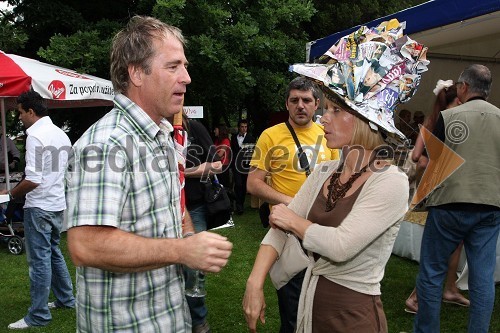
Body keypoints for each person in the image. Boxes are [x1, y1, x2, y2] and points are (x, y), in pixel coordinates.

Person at [244, 19, 429, 333]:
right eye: (325, 109)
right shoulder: (326, 170)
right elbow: (277, 232)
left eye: (334, 110)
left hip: (352, 318)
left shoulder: (390, 181)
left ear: (364, 120)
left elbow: (340, 245)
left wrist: (292, 220)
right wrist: (254, 282)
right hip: (310, 308)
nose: (322, 118)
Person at [64, 16, 233, 332]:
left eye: (184, 65)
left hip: (168, 316)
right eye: (173, 67)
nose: (187, 77)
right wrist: (181, 251)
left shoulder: (162, 134)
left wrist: (189, 237)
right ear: (136, 73)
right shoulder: (106, 143)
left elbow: (171, 204)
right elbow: (86, 245)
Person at [244, 76, 339, 333]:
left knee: (323, 310)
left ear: (316, 104)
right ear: (286, 104)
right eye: (294, 100)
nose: (300, 105)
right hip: (288, 234)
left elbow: (338, 176)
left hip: (322, 231)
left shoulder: (328, 135)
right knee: (293, 314)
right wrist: (290, 202)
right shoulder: (270, 136)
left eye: (306, 100)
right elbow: (253, 183)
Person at [414, 64, 500, 333]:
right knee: (482, 278)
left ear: (463, 87)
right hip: (490, 205)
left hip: (448, 203)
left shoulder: (449, 117)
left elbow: (431, 161)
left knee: (432, 272)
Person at [2, 90, 75, 330]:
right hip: (56, 204)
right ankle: (66, 299)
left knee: (40, 261)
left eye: (20, 112)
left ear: (31, 112)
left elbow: (33, 178)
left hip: (40, 205)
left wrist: (9, 195)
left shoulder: (35, 136)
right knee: (53, 252)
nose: (19, 117)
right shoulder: (60, 134)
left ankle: (38, 315)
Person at [404, 80, 469, 314]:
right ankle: (416, 297)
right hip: (445, 190)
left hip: (443, 188)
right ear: (456, 100)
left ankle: (450, 288)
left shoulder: (433, 121)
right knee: (442, 246)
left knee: (454, 243)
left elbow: (416, 156)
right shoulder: (453, 122)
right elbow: (419, 158)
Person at [181, 113, 223, 333]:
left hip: (194, 207)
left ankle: (198, 320)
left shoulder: (194, 128)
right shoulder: (155, 131)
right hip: (163, 207)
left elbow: (217, 165)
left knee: (193, 265)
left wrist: (183, 172)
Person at [230, 119, 255, 215]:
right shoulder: (233, 138)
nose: (244, 128)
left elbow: (251, 153)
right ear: (239, 127)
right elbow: (232, 151)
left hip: (245, 166)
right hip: (235, 165)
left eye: (245, 127)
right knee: (238, 184)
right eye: (242, 126)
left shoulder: (251, 138)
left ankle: (240, 205)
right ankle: (238, 205)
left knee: (243, 185)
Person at [213, 124, 231, 189]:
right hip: (217, 165)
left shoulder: (225, 141)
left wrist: (216, 156)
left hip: (223, 166)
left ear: (220, 130)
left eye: (216, 129)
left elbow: (219, 154)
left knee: (223, 184)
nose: (214, 131)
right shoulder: (217, 140)